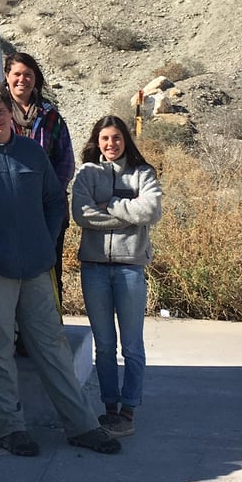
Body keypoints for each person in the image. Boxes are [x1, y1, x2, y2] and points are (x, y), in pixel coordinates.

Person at [0, 84, 120, 457]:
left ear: (11, 114)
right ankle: (11, 428)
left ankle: (82, 425)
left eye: (0, 112)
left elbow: (55, 201)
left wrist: (45, 238)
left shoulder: (32, 154)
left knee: (52, 346)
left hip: (35, 268)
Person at [72, 115, 162, 437]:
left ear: (126, 139)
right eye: (105, 138)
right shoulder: (86, 173)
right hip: (94, 267)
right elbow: (81, 214)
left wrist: (109, 204)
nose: (111, 144)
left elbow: (151, 211)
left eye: (117, 138)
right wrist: (127, 216)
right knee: (105, 345)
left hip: (130, 268)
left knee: (132, 345)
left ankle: (128, 410)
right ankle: (109, 408)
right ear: (97, 141)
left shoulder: (143, 173)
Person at [3, 52, 74, 306]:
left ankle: (50, 334)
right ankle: (16, 338)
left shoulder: (50, 115)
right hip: (5, 210)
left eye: (28, 75)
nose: (23, 80)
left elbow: (65, 162)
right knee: (8, 274)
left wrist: (47, 195)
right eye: (17, 74)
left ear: (36, 79)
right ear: (7, 77)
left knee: (49, 269)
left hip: (46, 210)